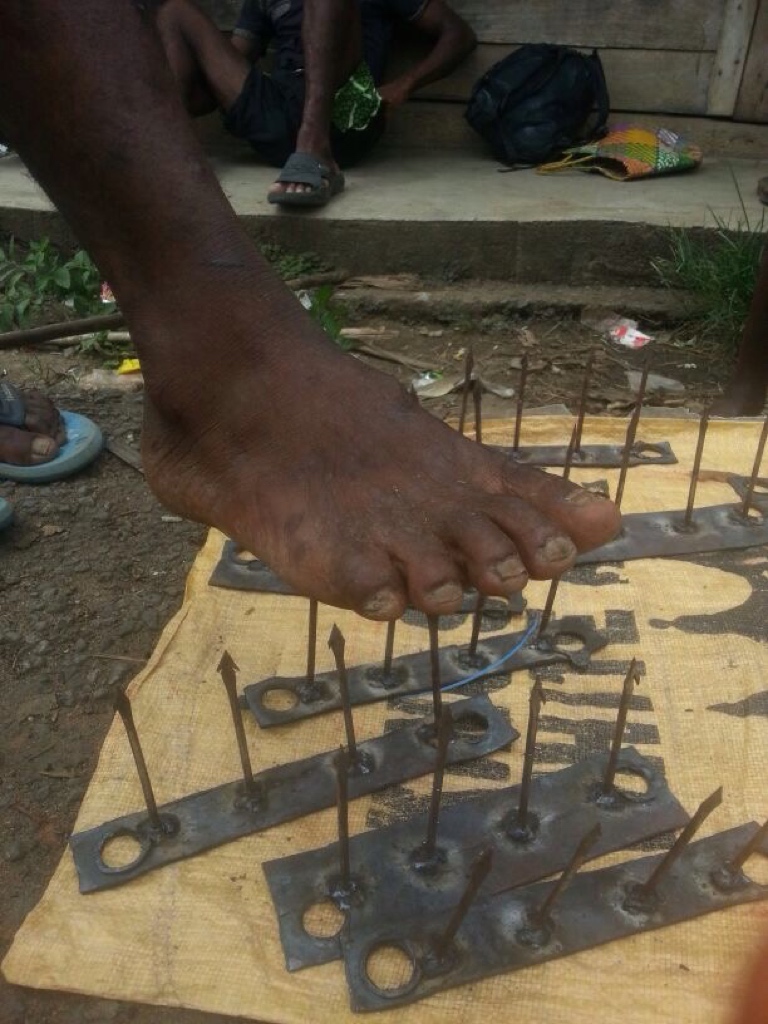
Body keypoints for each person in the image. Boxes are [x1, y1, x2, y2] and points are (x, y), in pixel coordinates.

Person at [0, 0, 620, 620]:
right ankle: (223, 369)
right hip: (268, 102)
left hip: (344, 112)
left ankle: (224, 349)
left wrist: (396, 86)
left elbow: (452, 33)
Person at [154, 0, 477, 206]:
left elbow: (458, 34)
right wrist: (188, 87)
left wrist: (404, 85)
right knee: (174, 11)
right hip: (279, 122)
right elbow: (237, 57)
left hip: (345, 117)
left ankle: (314, 148)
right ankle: (168, 151)